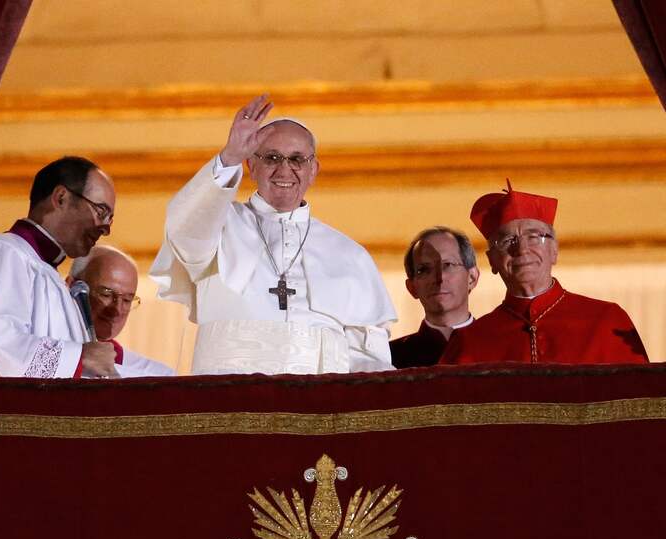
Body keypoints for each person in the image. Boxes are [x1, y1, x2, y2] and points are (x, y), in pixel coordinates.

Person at [150, 94, 396, 375]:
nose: (284, 169)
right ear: (251, 166)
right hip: (231, 401)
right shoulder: (219, 224)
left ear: (313, 170)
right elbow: (184, 231)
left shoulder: (350, 255)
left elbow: (369, 357)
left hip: (318, 408)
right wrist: (229, 156)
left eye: (297, 159)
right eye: (272, 158)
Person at [440, 181, 648, 365]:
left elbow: (643, 401)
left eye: (534, 237)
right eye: (507, 241)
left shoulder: (606, 321)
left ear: (554, 251)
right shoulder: (470, 342)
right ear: (492, 260)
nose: (521, 249)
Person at [0, 156, 118, 378]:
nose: (106, 229)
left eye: (110, 218)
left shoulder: (52, 277)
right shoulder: (4, 253)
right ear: (61, 198)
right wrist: (79, 357)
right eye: (100, 211)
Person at [68, 245, 174, 377]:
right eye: (106, 294)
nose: (117, 310)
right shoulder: (48, 352)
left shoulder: (155, 375)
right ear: (71, 286)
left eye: (127, 300)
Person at [390, 227, 479, 368]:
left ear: (472, 278)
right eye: (424, 270)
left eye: (448, 265)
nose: (439, 278)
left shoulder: (503, 348)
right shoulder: (390, 359)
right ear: (412, 288)